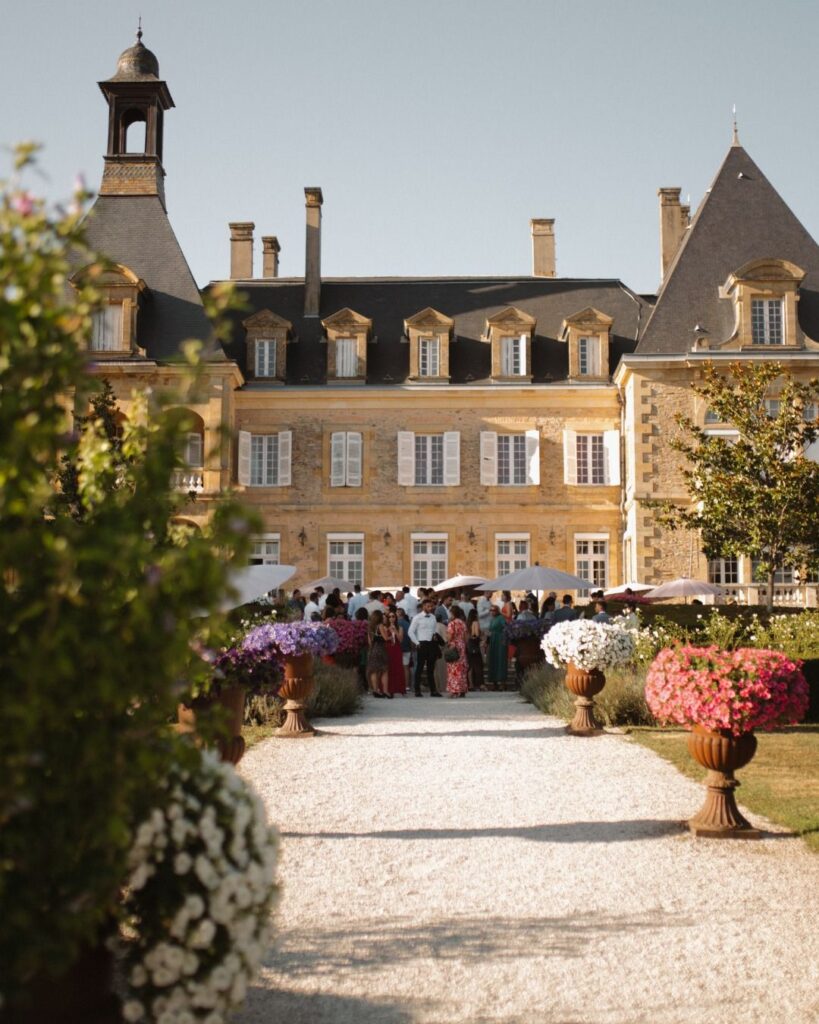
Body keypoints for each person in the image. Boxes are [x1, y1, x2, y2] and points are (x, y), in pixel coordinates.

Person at [408, 598, 442, 697]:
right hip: (422, 643)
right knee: (419, 668)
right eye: (428, 606)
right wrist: (417, 643)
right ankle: (417, 690)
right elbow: (410, 631)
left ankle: (433, 690)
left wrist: (435, 637)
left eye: (431, 606)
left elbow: (435, 630)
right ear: (423, 607)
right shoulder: (417, 617)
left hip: (431, 644)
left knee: (431, 668)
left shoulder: (433, 617)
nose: (430, 608)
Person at [366, 610, 391, 698]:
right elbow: (386, 638)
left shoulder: (369, 627)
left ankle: (375, 690)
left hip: (372, 649)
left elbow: (369, 641)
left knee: (374, 671)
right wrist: (391, 636)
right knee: (384, 670)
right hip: (380, 649)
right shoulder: (380, 626)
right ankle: (385, 691)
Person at [445, 605, 468, 697]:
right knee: (462, 668)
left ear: (452, 613)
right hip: (462, 645)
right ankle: (462, 689)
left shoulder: (452, 623)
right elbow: (466, 637)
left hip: (454, 645)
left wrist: (447, 638)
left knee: (453, 668)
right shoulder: (462, 623)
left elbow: (450, 636)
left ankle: (454, 690)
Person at [385, 610, 406, 695]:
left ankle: (400, 688)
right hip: (388, 648)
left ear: (395, 618)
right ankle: (389, 688)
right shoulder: (385, 627)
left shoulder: (400, 627)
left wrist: (395, 630)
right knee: (389, 668)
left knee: (398, 667)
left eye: (393, 616)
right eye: (389, 617)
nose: (391, 618)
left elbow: (400, 640)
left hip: (397, 649)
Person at [486, 605, 507, 690]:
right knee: (493, 660)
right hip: (493, 641)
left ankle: (502, 682)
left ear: (497, 611)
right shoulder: (492, 620)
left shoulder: (501, 618)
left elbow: (505, 627)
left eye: (493, 610)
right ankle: (494, 682)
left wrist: (504, 637)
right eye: (490, 610)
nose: (492, 612)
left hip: (500, 640)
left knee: (500, 659)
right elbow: (490, 630)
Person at [466, 608, 484, 691]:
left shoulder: (467, 623)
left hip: (469, 645)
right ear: (475, 615)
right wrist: (482, 638)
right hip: (475, 646)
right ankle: (480, 684)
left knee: (470, 666)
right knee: (478, 665)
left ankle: (470, 684)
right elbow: (476, 634)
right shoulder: (475, 623)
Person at [396, 606, 414, 692]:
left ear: (399, 614)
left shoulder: (398, 623)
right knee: (406, 667)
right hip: (407, 647)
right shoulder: (408, 623)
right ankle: (407, 685)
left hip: (400, 647)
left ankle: (403, 684)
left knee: (401, 667)